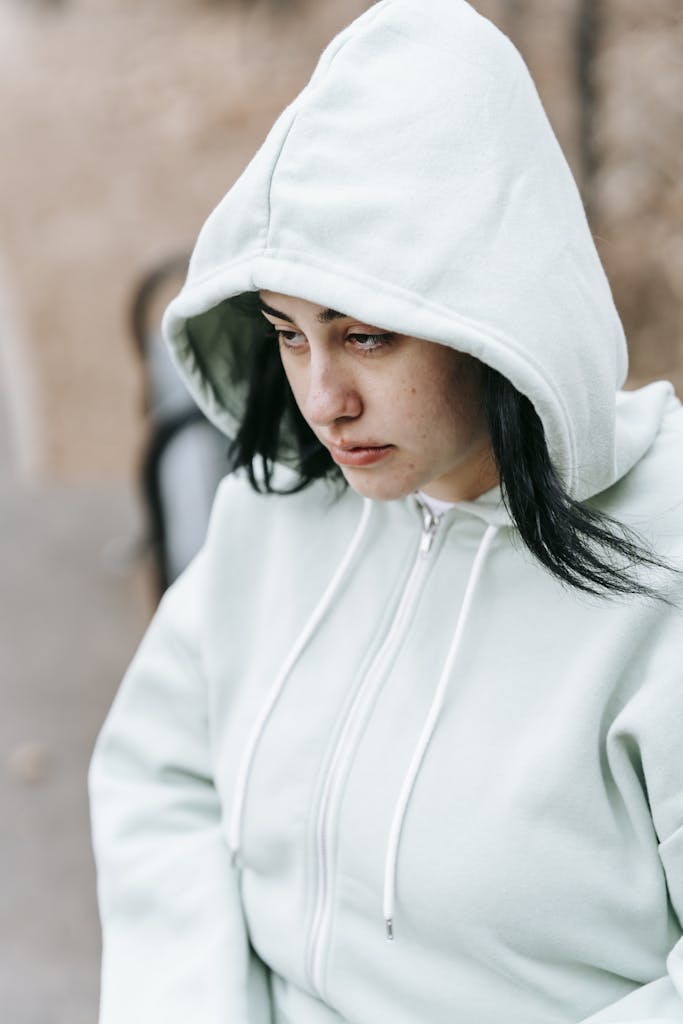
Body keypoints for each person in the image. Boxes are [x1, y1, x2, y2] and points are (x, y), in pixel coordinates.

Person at [88, 2, 683, 1022]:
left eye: (365, 336)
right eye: (286, 332)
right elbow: (160, 776)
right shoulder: (277, 506)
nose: (322, 400)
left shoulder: (658, 571)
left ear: (490, 313)